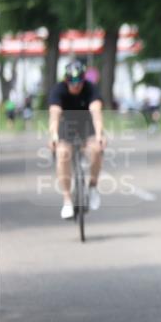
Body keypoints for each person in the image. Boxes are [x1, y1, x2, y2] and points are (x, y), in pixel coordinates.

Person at [48, 60, 105, 219]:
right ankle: (67, 199)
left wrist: (99, 134)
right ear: (66, 80)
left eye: (79, 81)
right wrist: (53, 135)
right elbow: (54, 114)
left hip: (87, 126)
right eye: (72, 81)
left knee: (96, 149)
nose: (76, 85)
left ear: (83, 79)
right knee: (62, 154)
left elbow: (96, 112)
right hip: (66, 127)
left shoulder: (90, 88)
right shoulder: (58, 90)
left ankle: (92, 187)